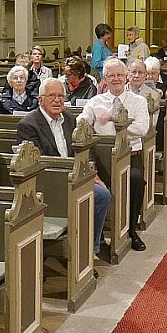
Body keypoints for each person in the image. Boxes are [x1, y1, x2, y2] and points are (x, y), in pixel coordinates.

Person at [16, 78, 111, 256]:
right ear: (40, 99)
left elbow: (85, 148)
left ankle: (90, 249)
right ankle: (84, 251)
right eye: (52, 96)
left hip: (78, 176)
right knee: (97, 196)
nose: (57, 100)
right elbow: (36, 163)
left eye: (61, 96)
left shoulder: (69, 119)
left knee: (103, 194)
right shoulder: (28, 125)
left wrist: (91, 173)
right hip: (50, 183)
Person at [78, 58, 149, 252]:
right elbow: (82, 123)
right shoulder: (96, 102)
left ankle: (131, 230)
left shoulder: (138, 101)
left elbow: (142, 128)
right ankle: (98, 234)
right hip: (102, 158)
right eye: (111, 76)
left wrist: (113, 118)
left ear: (126, 77)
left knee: (136, 180)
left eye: (119, 75)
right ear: (104, 79)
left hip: (130, 155)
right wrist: (83, 124)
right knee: (97, 186)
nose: (116, 79)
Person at [146, 56, 167, 151]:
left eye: (153, 73)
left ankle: (158, 148)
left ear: (159, 71)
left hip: (163, 111)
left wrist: (162, 93)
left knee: (160, 117)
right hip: (146, 110)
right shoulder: (141, 80)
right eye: (147, 73)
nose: (150, 76)